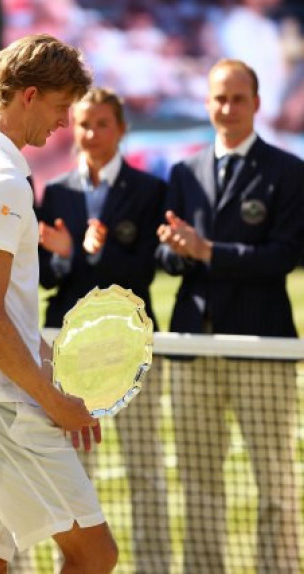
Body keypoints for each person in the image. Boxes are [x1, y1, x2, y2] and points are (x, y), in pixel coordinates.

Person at [0, 33, 119, 573]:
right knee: (95, 555)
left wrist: (50, 369)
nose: (63, 123)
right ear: (29, 95)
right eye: (61, 108)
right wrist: (53, 401)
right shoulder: (0, 178)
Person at [156, 58, 303, 574]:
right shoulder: (184, 171)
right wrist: (177, 249)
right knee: (198, 483)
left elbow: (286, 254)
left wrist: (208, 251)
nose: (228, 108)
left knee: (275, 485)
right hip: (194, 346)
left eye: (238, 98)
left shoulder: (288, 171)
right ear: (207, 103)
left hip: (260, 346)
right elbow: (169, 260)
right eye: (219, 98)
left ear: (257, 104)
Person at [37, 86, 169, 573]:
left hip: (130, 347)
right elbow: (47, 277)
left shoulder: (150, 191)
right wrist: (64, 254)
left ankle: (154, 564)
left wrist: (92, 252)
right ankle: (73, 563)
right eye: (84, 124)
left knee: (145, 466)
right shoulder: (56, 192)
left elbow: (142, 273)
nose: (91, 134)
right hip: (71, 355)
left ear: (120, 129)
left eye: (102, 124)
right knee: (72, 470)